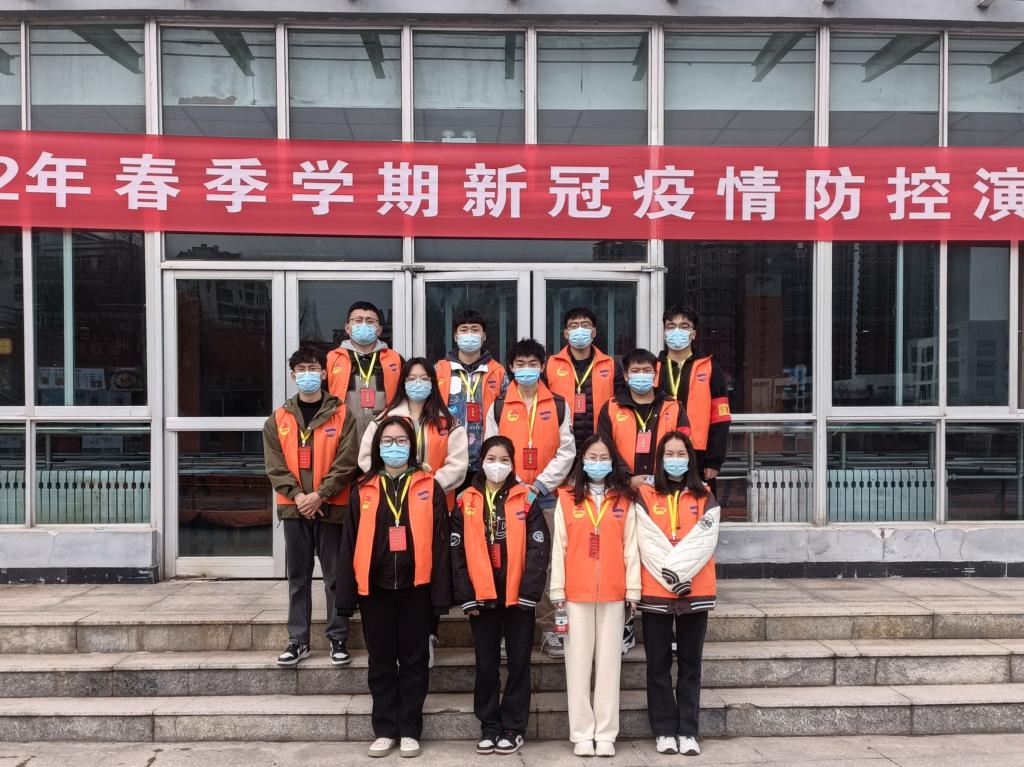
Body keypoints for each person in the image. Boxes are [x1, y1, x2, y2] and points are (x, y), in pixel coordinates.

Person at [336, 416, 452, 759]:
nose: (394, 447)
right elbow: (349, 543)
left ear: (411, 446)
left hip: (417, 588)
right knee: (381, 661)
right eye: (387, 441)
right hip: (376, 590)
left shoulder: (429, 486)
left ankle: (410, 729)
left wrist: (440, 596)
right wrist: (346, 596)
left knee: (415, 661)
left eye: (401, 441)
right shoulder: (364, 488)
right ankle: (385, 729)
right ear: (377, 447)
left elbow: (441, 544)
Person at [359, 357, 469, 667]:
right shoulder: (385, 419)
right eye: (412, 378)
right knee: (400, 569)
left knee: (431, 571)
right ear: (403, 382)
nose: (417, 383)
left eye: (424, 378)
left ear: (433, 383)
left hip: (435, 510)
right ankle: (400, 638)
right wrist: (397, 484)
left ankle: (428, 634)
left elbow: (458, 465)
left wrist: (427, 486)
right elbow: (366, 459)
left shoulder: (448, 423)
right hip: (391, 510)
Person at [450, 436, 551, 756]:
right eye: (492, 459)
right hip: (482, 596)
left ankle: (514, 727)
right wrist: (466, 595)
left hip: (518, 596)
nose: (498, 465)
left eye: (504, 460)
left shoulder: (527, 498)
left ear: (513, 463)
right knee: (486, 664)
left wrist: (530, 592)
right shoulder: (465, 500)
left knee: (519, 663)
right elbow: (456, 552)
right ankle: (490, 725)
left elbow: (539, 548)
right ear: (481, 461)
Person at [262, 347, 359, 668]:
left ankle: (338, 637)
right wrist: (300, 497)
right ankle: (298, 640)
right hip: (294, 510)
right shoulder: (278, 418)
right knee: (298, 578)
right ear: (293, 376)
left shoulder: (342, 414)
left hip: (332, 507)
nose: (307, 374)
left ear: (323, 373)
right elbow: (275, 466)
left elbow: (347, 461)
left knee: (334, 577)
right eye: (301, 369)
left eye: (313, 368)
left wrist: (320, 495)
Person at [549, 435, 641, 758]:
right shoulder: (566, 498)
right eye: (592, 457)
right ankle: (581, 733)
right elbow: (558, 548)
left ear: (612, 463)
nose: (597, 463)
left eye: (604, 458)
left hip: (614, 593)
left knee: (609, 666)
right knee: (577, 666)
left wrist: (633, 590)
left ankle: (605, 733)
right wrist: (557, 589)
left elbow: (631, 547)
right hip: (576, 594)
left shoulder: (624, 500)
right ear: (582, 461)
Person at [484, 338, 575, 659]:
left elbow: (567, 451)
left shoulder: (558, 404)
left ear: (542, 366)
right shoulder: (498, 406)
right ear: (510, 367)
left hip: (548, 497)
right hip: (509, 495)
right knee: (509, 561)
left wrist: (539, 485)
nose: (526, 369)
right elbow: (492, 450)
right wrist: (518, 484)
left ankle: (550, 628)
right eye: (520, 364)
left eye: (533, 364)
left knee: (548, 563)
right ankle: (508, 630)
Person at [596, 347, 689, 654]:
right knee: (624, 558)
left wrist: (663, 478)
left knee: (662, 556)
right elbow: (604, 448)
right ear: (625, 375)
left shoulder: (673, 406)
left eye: (647, 370)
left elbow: (683, 446)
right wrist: (627, 478)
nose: (641, 376)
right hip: (624, 492)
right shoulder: (612, 407)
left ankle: (669, 623)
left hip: (664, 493)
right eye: (635, 371)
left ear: (656, 374)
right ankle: (625, 625)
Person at [634, 430, 720, 757]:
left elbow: (702, 543)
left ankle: (688, 730)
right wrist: (674, 579)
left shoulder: (705, 495)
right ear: (659, 459)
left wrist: (679, 576)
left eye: (681, 454)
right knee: (657, 665)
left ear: (690, 458)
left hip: (696, 591)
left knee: (690, 665)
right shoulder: (645, 495)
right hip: (656, 591)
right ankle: (664, 729)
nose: (675, 459)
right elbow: (648, 543)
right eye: (669, 454)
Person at [655, 305, 731, 492]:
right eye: (671, 326)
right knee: (661, 504)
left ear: (693, 333)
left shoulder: (709, 368)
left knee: (699, 504)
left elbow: (720, 418)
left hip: (699, 454)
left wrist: (714, 460)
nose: (677, 331)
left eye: (684, 326)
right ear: (664, 332)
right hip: (659, 452)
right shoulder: (653, 368)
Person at [435, 310, 508, 487]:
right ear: (456, 336)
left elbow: (506, 414)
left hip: (485, 459)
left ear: (484, 336)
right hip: (447, 458)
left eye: (475, 330)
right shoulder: (439, 369)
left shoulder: (497, 371)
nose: (469, 334)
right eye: (464, 330)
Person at [544, 307, 623, 450]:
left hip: (601, 447)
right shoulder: (550, 365)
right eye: (574, 325)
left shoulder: (611, 365)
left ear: (594, 332)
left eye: (585, 325)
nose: (579, 329)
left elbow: (622, 407)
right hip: (560, 446)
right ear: (566, 333)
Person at [326, 301, 405, 442]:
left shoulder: (396, 359)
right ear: (347, 328)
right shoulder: (331, 359)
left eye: (370, 321)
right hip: (344, 433)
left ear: (379, 330)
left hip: (385, 434)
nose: (364, 325)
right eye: (358, 320)